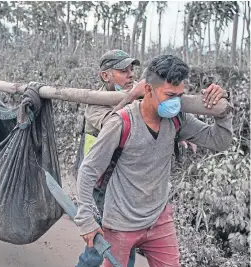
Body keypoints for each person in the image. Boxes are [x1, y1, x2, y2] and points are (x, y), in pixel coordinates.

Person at [75, 54, 232, 267]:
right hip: (121, 221)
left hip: (159, 218)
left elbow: (219, 141)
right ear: (148, 90)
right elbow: (89, 170)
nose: (175, 102)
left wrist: (223, 113)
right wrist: (85, 219)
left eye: (179, 95)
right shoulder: (121, 122)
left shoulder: (177, 118)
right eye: (169, 95)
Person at [76, 49, 140, 267]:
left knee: (120, 243)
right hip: (102, 182)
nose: (131, 75)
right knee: (106, 244)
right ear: (105, 76)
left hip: (124, 182)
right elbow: (116, 124)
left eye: (132, 70)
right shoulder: (95, 105)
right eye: (123, 71)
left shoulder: (135, 92)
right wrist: (132, 97)